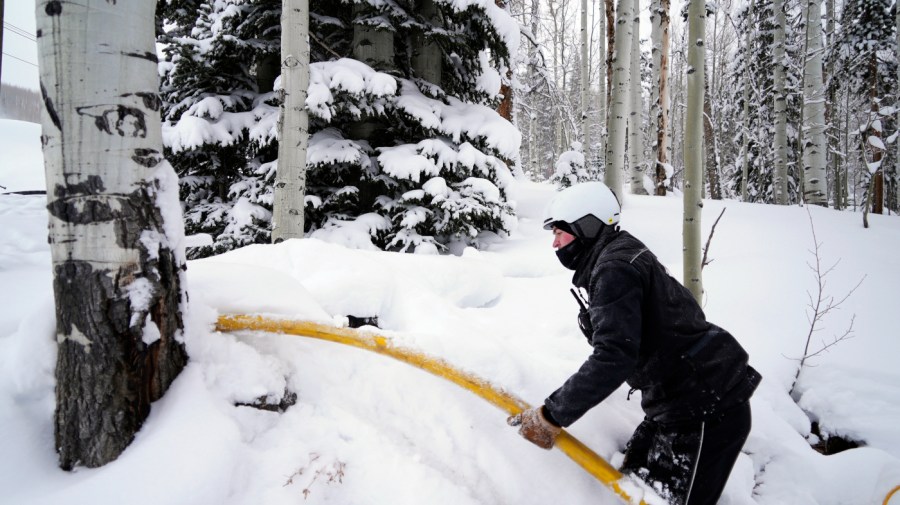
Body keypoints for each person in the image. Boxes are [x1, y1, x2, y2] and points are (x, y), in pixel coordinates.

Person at [507, 181, 761, 505]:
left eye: (560, 232)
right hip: (677, 402)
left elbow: (614, 357)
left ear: (587, 226)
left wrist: (552, 415)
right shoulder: (617, 254)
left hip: (706, 407)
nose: (555, 243)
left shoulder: (614, 269)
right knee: (634, 488)